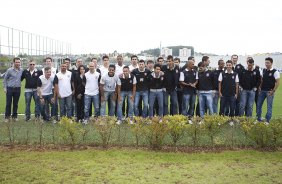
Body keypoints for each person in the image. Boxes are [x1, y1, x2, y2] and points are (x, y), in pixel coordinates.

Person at [256, 57, 280, 123]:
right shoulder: (263, 70)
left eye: (268, 63)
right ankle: (258, 119)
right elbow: (262, 80)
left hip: (270, 92)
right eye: (266, 62)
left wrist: (273, 91)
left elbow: (278, 82)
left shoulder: (275, 71)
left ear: (271, 63)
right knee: (258, 105)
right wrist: (260, 87)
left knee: (269, 106)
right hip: (262, 91)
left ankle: (267, 120)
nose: (266, 64)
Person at [3, 57, 23, 122]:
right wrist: (5, 88)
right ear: (14, 63)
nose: (17, 63)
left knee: (15, 104)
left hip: (17, 89)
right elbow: (5, 79)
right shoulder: (9, 70)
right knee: (8, 103)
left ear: (20, 63)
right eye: (16, 62)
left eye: (19, 62)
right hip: (9, 89)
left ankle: (14, 116)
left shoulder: (21, 70)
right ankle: (7, 117)